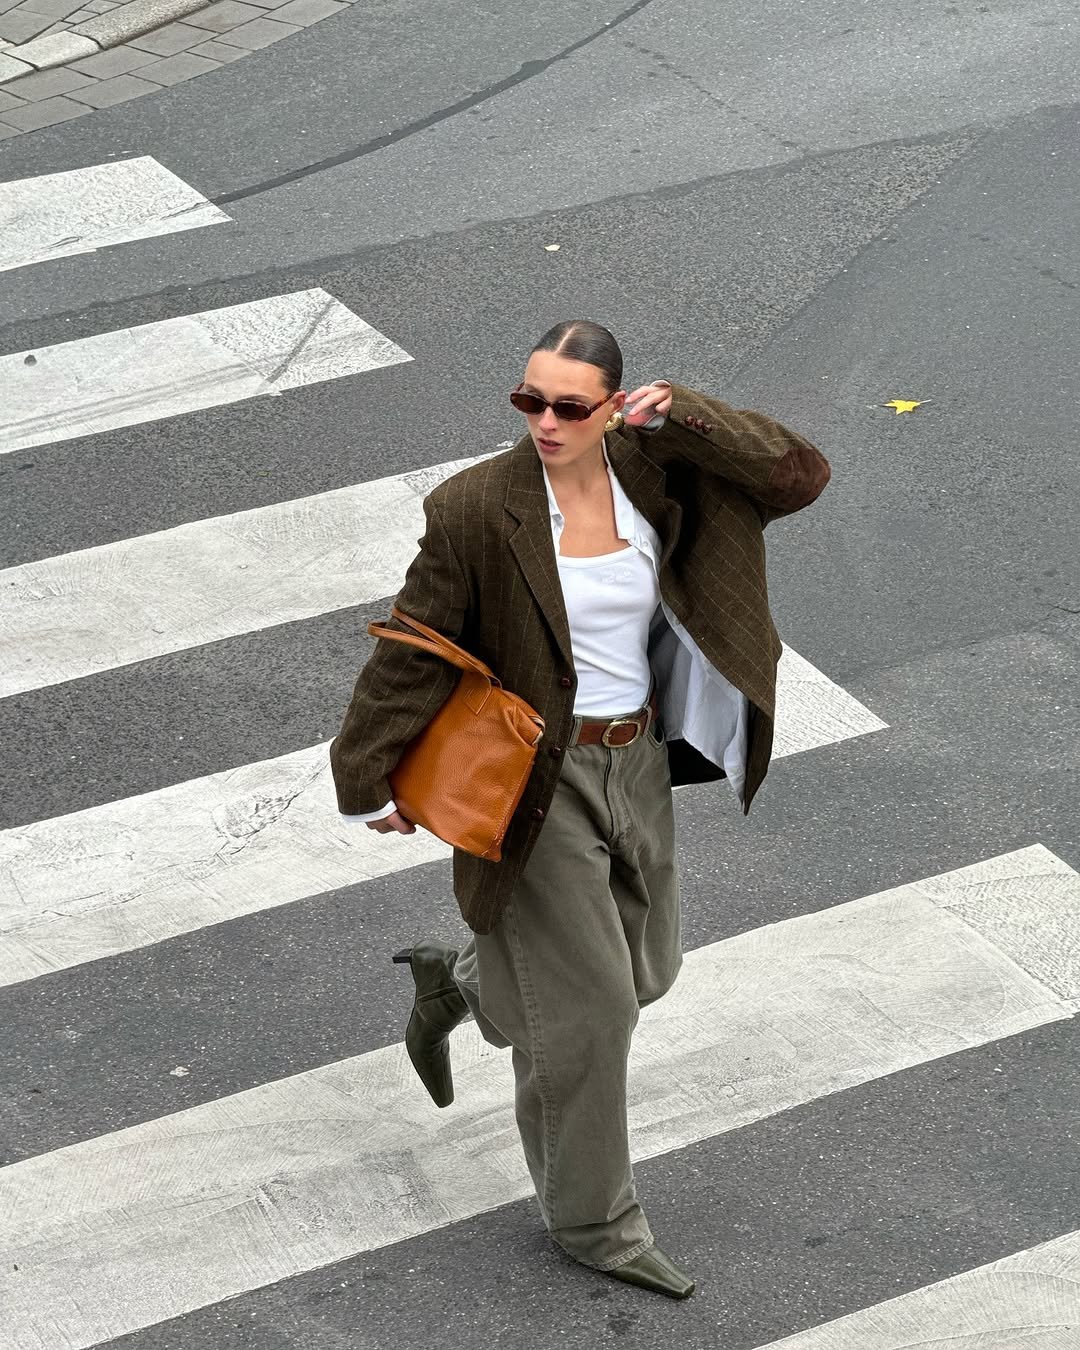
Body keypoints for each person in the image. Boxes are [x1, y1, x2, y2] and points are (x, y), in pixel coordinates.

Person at [330, 320, 831, 1299]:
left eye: (569, 404)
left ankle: (464, 984)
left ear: (612, 404)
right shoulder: (476, 507)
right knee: (593, 1014)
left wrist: (687, 412)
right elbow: (416, 645)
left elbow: (794, 475)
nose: (546, 422)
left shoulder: (656, 473)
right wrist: (374, 773)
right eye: (531, 401)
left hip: (636, 757)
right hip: (534, 784)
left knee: (648, 968)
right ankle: (593, 1222)